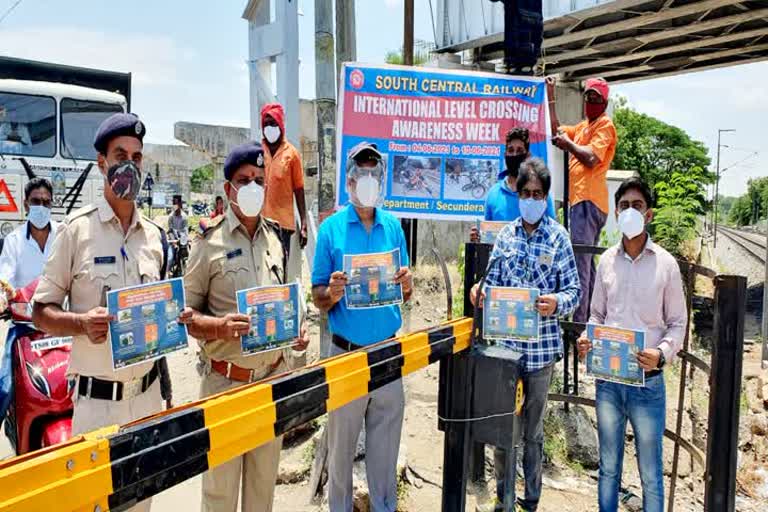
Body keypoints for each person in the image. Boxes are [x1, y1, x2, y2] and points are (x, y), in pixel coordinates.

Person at [31, 113, 172, 512]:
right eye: (120, 154)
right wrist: (80, 323)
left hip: (145, 399)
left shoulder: (156, 237)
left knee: (140, 505)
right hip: (96, 405)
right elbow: (40, 310)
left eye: (138, 156)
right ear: (102, 163)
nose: (130, 164)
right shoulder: (75, 231)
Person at [180, 141, 309, 512]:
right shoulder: (208, 242)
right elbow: (186, 316)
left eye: (258, 179)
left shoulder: (275, 238)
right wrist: (218, 326)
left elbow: (286, 299)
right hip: (225, 384)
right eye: (243, 180)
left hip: (271, 379)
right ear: (228, 189)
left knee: (261, 492)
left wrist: (295, 331)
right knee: (219, 495)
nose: (252, 186)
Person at [470, 158, 581, 512]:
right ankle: (504, 501)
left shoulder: (559, 238)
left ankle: (530, 500)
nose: (531, 198)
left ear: (546, 198)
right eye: (525, 192)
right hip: (505, 352)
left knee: (532, 434)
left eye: (537, 193)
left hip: (541, 355)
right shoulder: (504, 236)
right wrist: (479, 291)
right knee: (504, 432)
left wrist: (555, 303)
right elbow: (491, 282)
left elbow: (574, 293)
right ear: (517, 194)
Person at [312, 141, 414, 512]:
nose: (368, 179)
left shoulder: (394, 227)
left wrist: (407, 281)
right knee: (341, 450)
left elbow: (405, 287)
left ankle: (384, 506)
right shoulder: (331, 230)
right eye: (362, 173)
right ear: (350, 181)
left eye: (375, 173)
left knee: (385, 450)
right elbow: (317, 295)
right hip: (346, 354)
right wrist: (332, 292)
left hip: (388, 351)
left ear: (381, 179)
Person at [577, 177, 686, 512]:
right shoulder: (607, 260)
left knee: (651, 473)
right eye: (623, 206)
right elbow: (596, 313)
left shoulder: (666, 264)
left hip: (647, 384)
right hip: (609, 382)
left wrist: (662, 355)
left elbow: (678, 324)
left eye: (637, 206)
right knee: (608, 468)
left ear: (649, 214)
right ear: (615, 212)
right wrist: (587, 336)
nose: (629, 211)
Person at [546, 76, 617, 322]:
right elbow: (557, 130)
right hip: (580, 202)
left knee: (580, 266)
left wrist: (569, 145)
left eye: (596, 98)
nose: (591, 101)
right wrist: (551, 95)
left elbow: (591, 158)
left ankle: (578, 326)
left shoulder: (604, 125)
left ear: (605, 102)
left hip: (588, 201)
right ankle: (593, 319)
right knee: (587, 264)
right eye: (588, 96)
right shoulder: (584, 126)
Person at [470, 128, 556, 242]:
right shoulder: (493, 194)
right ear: (505, 154)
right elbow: (486, 236)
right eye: (511, 150)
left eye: (520, 150)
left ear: (528, 155)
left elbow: (552, 233)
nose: (515, 155)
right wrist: (478, 238)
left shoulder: (539, 194)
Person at [260, 103, 308, 258]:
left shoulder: (292, 154)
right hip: (259, 223)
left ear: (280, 125)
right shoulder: (257, 151)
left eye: (273, 123)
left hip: (282, 225)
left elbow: (299, 189)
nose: (269, 128)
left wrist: (304, 224)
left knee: (280, 270)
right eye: (266, 124)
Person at [0, 177, 60, 289]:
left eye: (46, 202)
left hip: (59, 305)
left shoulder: (63, 234)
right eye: (36, 202)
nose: (41, 207)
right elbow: (5, 280)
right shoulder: (13, 240)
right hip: (24, 304)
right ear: (26, 205)